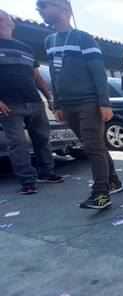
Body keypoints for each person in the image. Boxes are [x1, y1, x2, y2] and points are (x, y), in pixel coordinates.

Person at [38, 0, 123, 209]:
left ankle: (101, 194)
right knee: (93, 145)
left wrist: (104, 103)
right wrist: (56, 104)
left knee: (93, 146)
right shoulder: (49, 41)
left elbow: (98, 73)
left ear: (64, 8)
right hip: (67, 105)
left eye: (46, 5)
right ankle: (113, 180)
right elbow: (54, 75)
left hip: (89, 102)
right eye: (39, 8)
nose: (41, 10)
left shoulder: (84, 39)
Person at [0, 10, 63, 195]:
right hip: (9, 105)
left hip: (34, 101)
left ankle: (47, 172)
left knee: (42, 139)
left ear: (12, 23)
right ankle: (27, 181)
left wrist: (49, 97)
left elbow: (36, 76)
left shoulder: (26, 48)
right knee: (18, 143)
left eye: (3, 18)